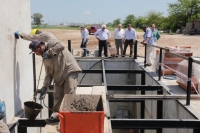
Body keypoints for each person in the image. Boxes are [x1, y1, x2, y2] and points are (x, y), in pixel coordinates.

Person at [14, 29, 82, 123]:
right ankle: (56, 116)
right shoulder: (45, 59)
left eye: (35, 51)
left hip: (69, 71)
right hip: (59, 76)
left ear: (40, 47)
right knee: (57, 96)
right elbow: (48, 74)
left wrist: (49, 52)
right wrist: (44, 87)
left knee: (69, 95)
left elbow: (61, 46)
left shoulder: (51, 42)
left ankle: (71, 120)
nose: (36, 54)